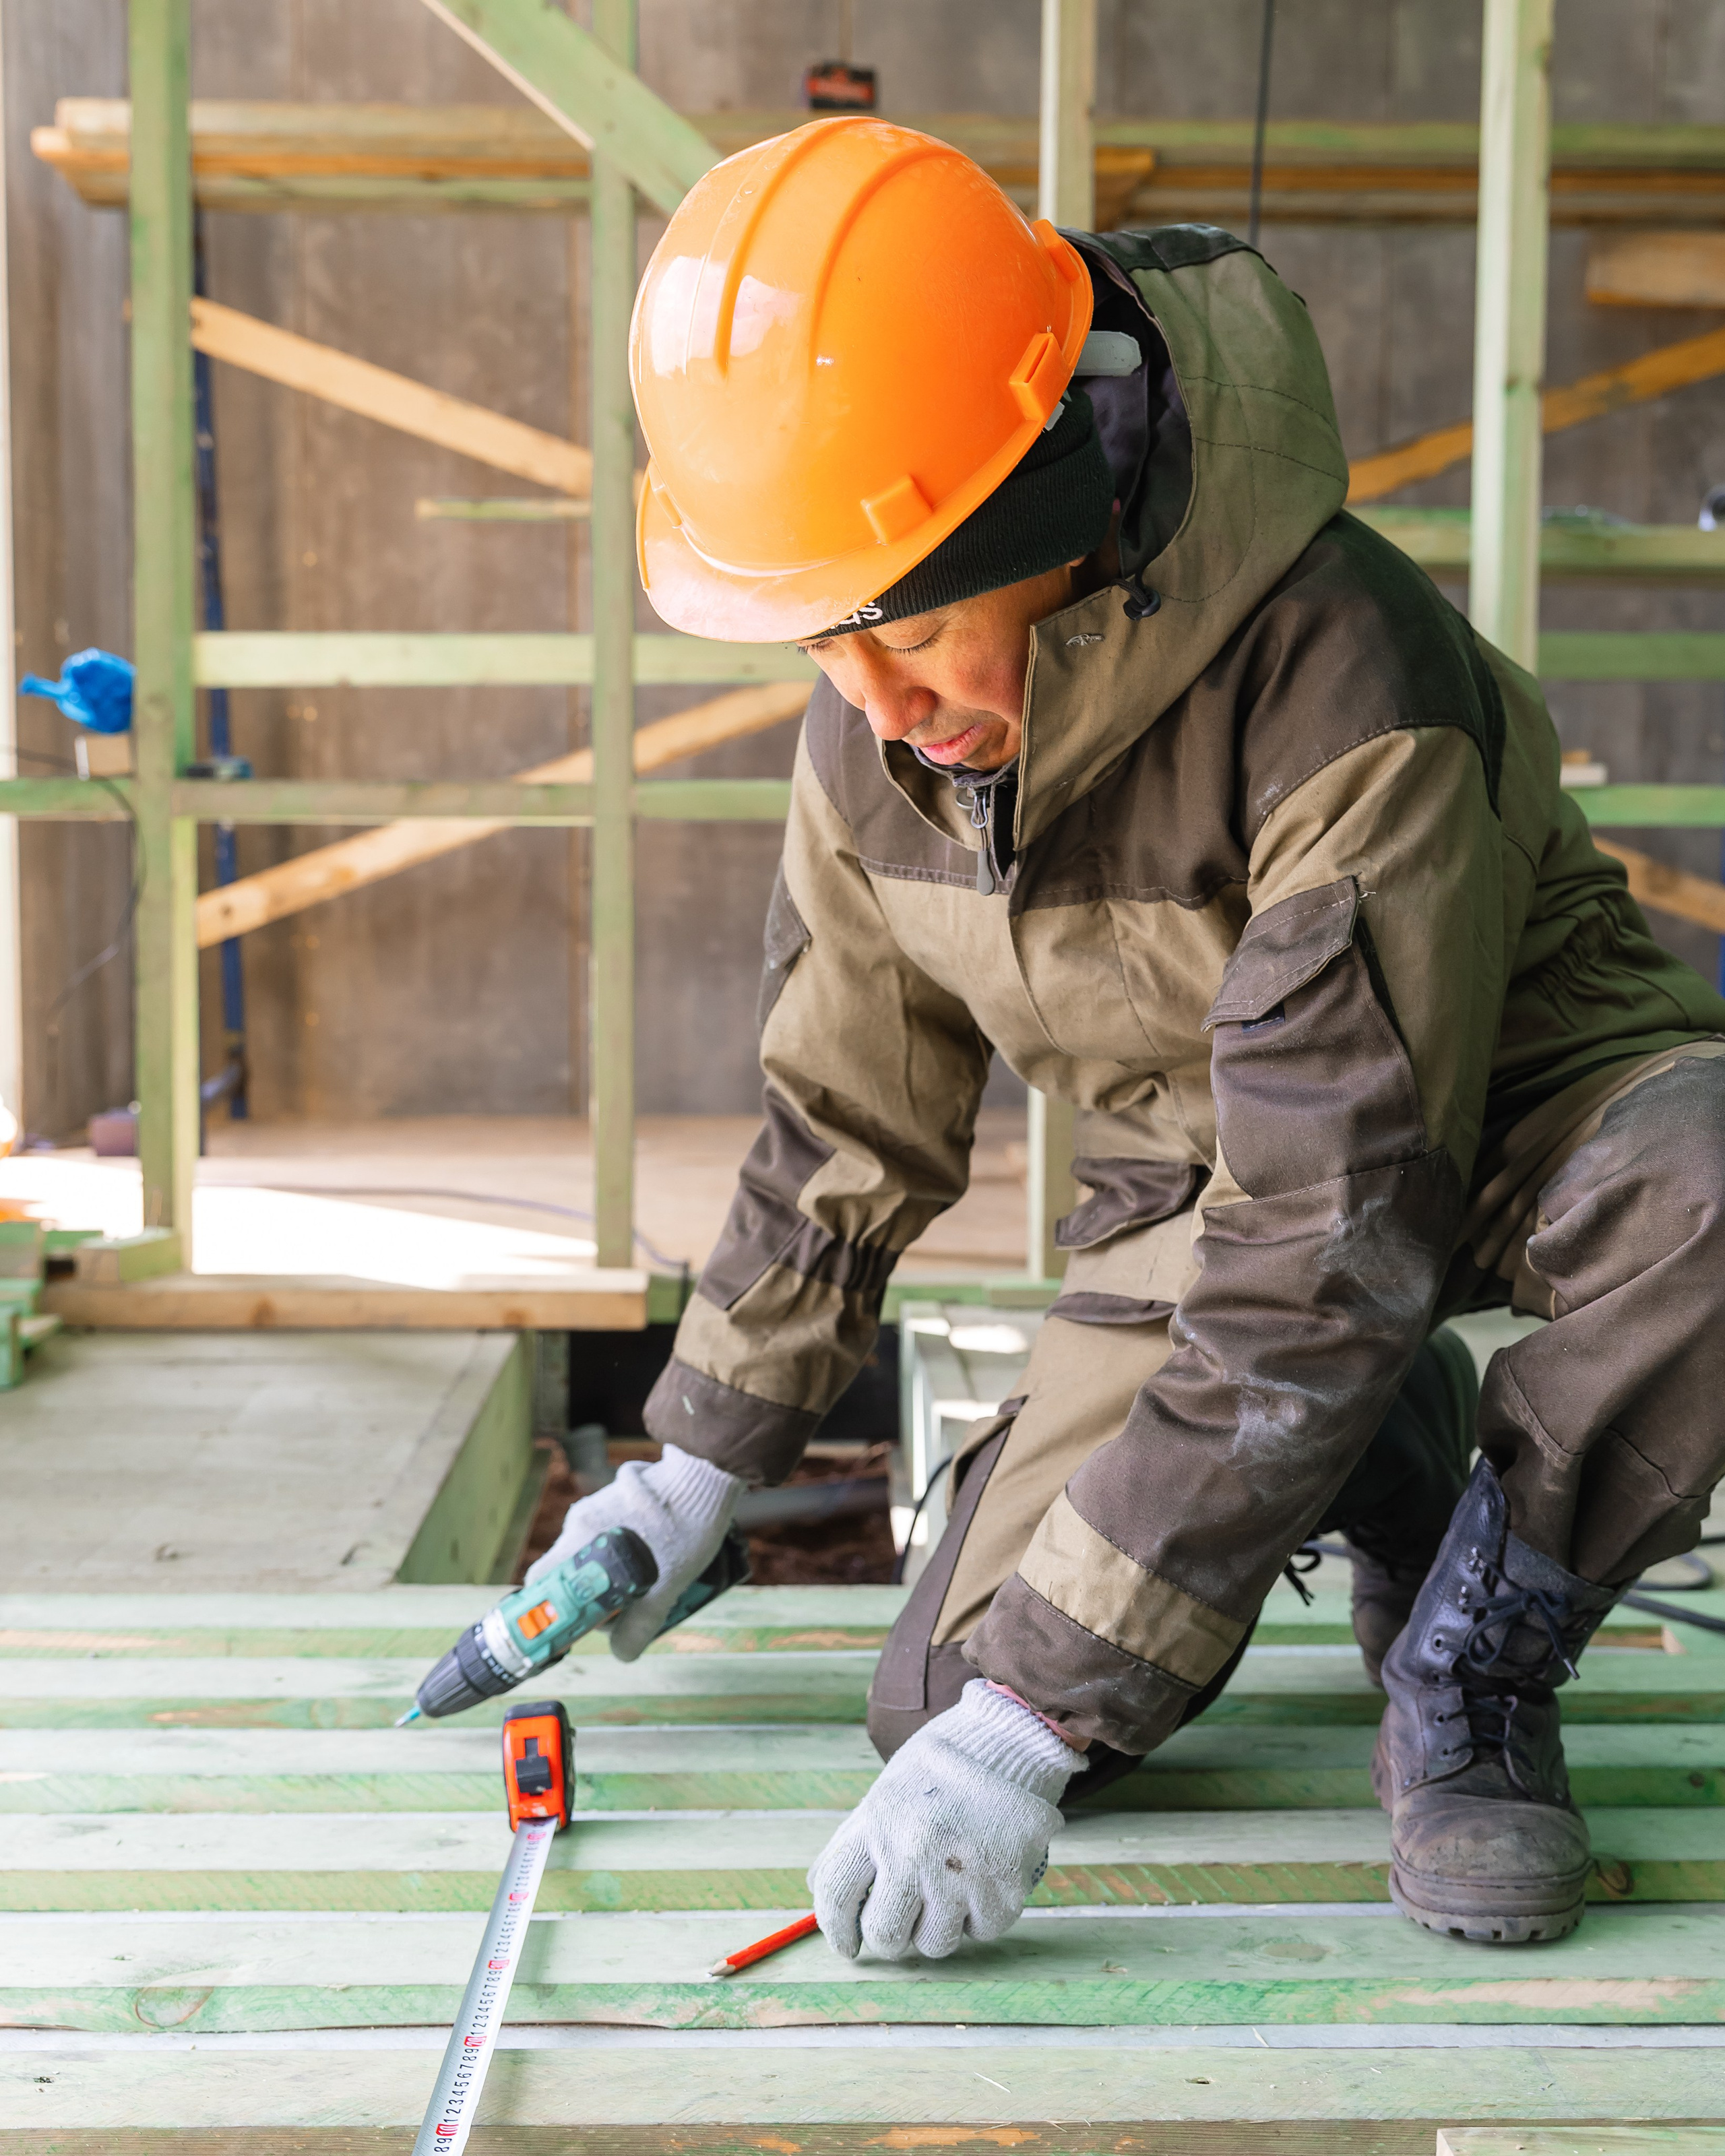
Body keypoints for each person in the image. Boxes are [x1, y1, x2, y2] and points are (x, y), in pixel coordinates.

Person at [530, 116, 1725, 1957]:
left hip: (1517, 1105)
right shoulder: (887, 716)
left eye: (909, 623)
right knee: (934, 1696)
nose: (866, 699)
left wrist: (1045, 1717)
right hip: (1228, 1177)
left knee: (1716, 1194)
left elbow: (1336, 1226)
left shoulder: (1343, 673)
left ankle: (1483, 1650)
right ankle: (1380, 1449)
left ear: (1045, 512)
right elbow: (847, 1116)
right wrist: (692, 1463)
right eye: (821, 638)